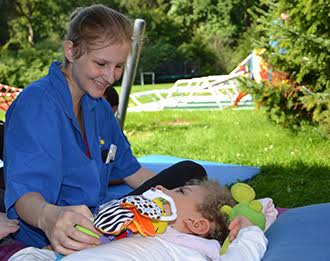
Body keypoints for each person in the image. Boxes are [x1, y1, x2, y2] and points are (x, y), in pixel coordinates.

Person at [4, 4, 206, 257]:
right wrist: (49, 218)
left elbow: (133, 173)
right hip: (48, 232)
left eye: (119, 66)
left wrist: (190, 200)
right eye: (101, 63)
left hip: (101, 219)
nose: (111, 77)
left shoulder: (98, 106)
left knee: (191, 173)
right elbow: (25, 197)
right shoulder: (37, 106)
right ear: (71, 51)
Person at [8, 180, 268, 261]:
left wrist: (249, 230)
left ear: (196, 225)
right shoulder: (126, 229)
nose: (161, 187)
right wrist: (40, 254)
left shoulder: (188, 253)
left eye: (180, 192)